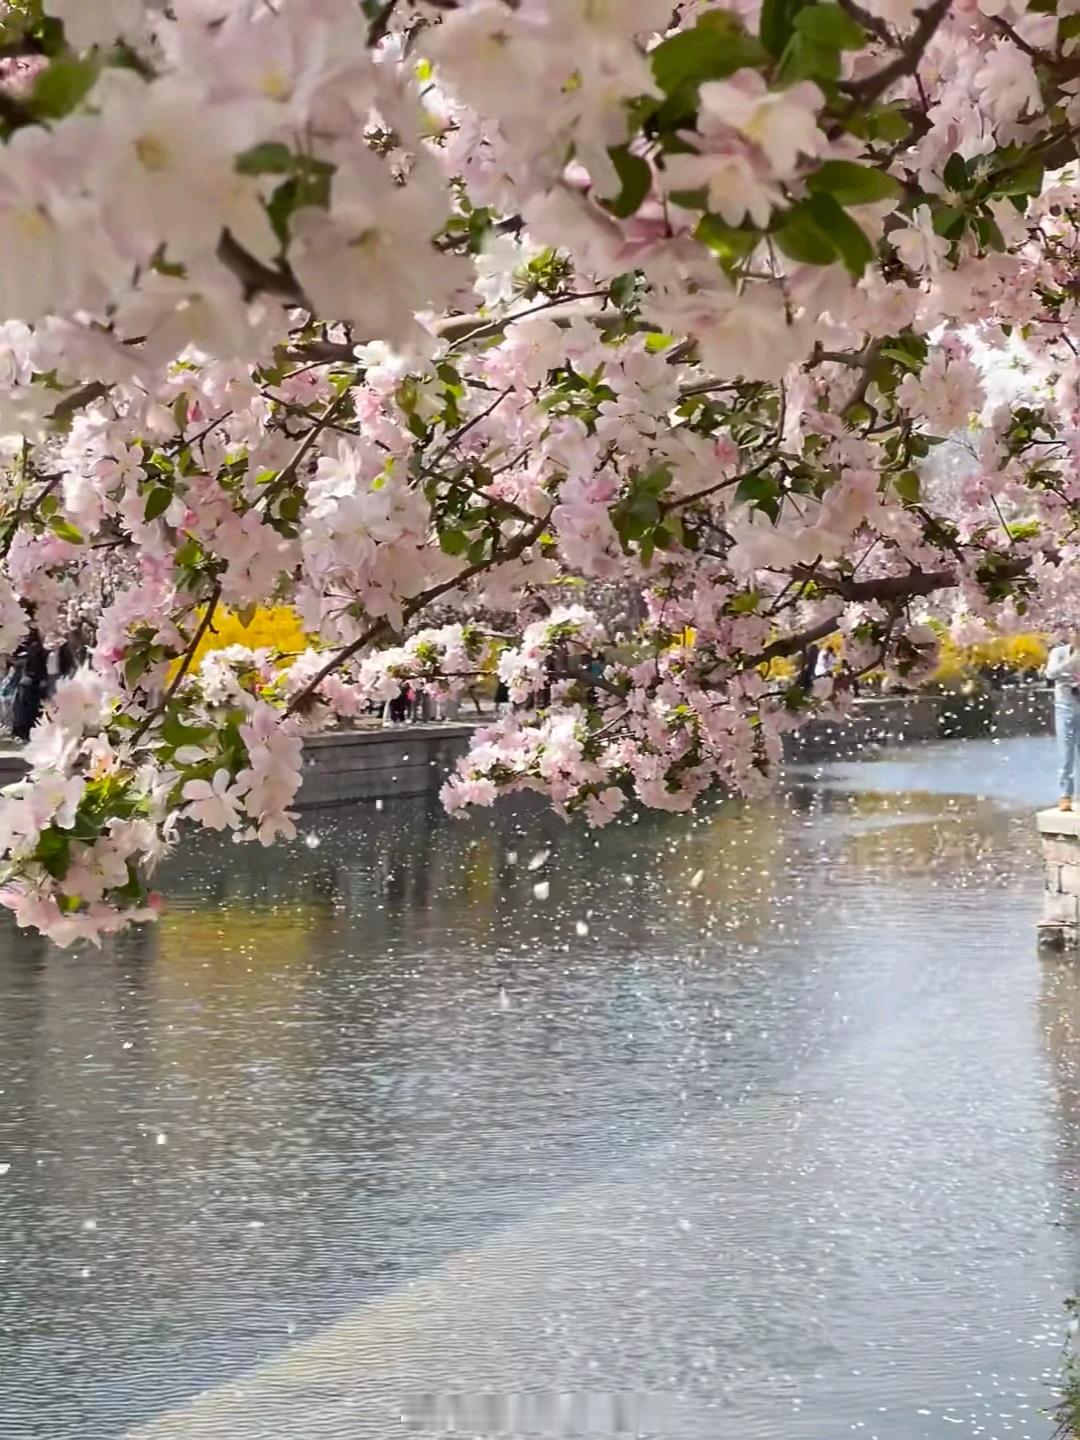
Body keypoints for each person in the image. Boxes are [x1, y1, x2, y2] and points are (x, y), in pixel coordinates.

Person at [1046, 633, 1080, 809]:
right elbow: (1050, 673)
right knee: (1066, 751)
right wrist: (1073, 660)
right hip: (1065, 707)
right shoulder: (1059, 653)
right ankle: (1065, 794)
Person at [10, 625, 47, 742]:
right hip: (32, 682)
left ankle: (22, 730)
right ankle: (24, 730)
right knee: (26, 708)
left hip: (30, 682)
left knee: (23, 708)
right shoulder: (37, 648)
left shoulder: (32, 649)